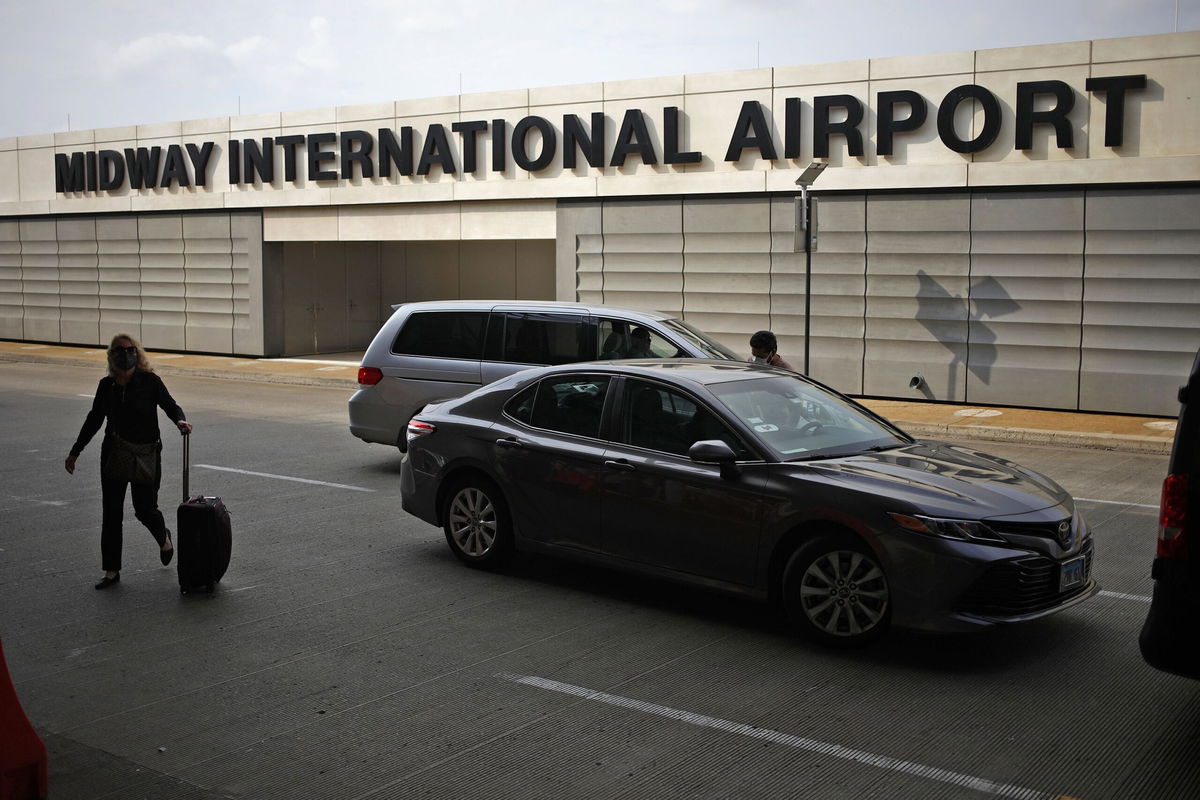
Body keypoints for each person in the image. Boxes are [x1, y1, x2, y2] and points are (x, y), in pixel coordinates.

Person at [65, 333, 193, 589]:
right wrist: (75, 451)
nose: (126, 355)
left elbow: (170, 405)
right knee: (111, 513)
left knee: (144, 508)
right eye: (121, 351)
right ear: (112, 356)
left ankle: (163, 537)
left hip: (146, 454)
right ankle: (111, 570)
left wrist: (179, 420)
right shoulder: (107, 386)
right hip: (114, 453)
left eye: (131, 350)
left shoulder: (150, 381)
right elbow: (94, 419)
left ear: (138, 353)